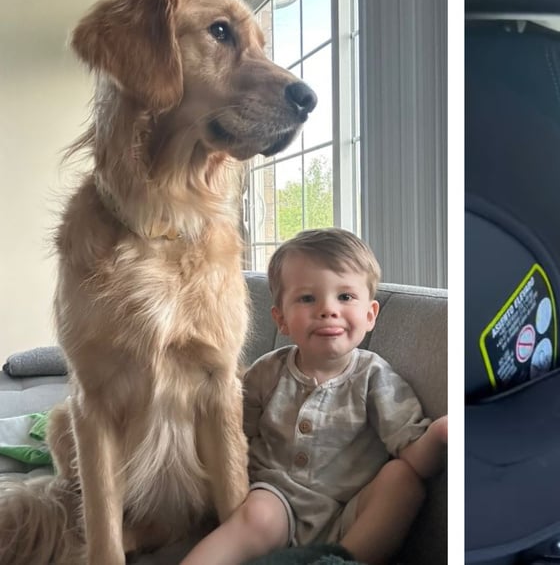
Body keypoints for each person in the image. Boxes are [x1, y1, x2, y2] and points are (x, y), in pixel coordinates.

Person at [182, 228, 448, 565]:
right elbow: (233, 438)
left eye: (346, 297)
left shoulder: (374, 376)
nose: (328, 310)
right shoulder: (267, 372)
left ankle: (341, 560)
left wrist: (440, 435)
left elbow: (414, 457)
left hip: (351, 511)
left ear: (370, 315)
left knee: (403, 480)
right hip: (277, 501)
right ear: (281, 319)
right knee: (258, 515)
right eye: (308, 299)